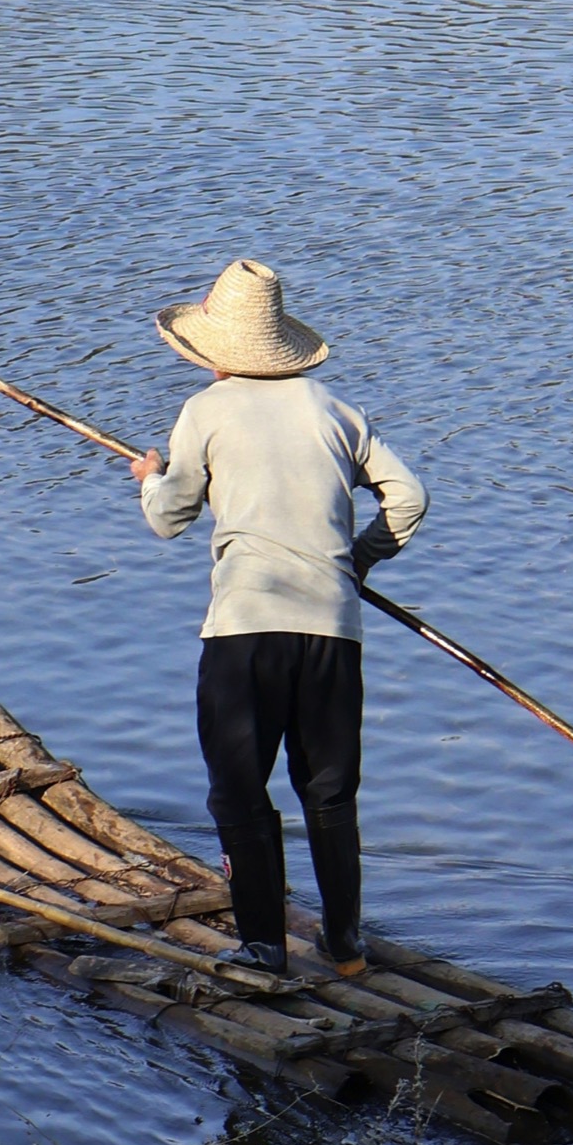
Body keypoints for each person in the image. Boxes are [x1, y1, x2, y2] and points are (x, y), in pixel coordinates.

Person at [130, 258, 428, 981]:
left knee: (237, 788)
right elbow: (409, 497)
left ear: (214, 354)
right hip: (332, 628)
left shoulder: (207, 412)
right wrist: (355, 563)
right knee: (329, 790)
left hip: (246, 629)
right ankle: (346, 943)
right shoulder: (335, 410)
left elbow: (171, 519)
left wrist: (152, 478)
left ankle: (263, 944)